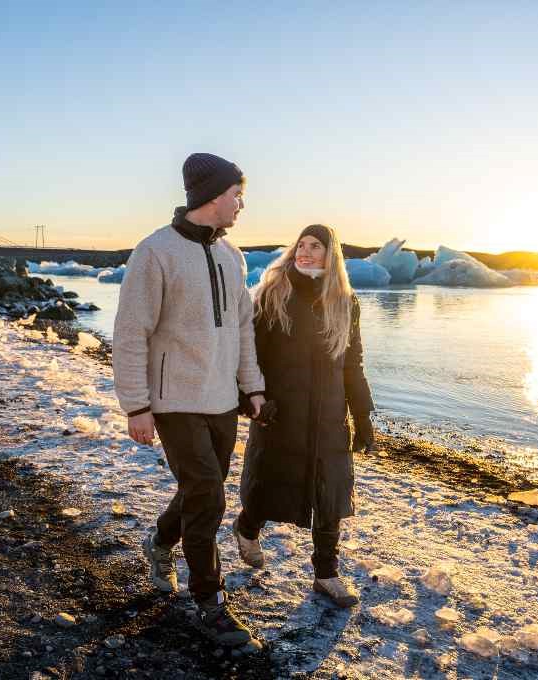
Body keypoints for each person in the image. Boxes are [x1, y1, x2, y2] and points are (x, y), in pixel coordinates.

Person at [113, 152, 266, 647]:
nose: (242, 203)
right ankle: (210, 600)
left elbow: (242, 327)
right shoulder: (155, 252)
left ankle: (160, 544)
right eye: (237, 194)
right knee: (208, 494)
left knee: (203, 489)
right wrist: (136, 405)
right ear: (212, 196)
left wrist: (252, 385)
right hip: (173, 399)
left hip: (222, 399)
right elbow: (131, 332)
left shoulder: (232, 255)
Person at [235, 224, 374, 608]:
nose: (306, 251)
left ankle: (326, 574)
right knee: (269, 485)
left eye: (316, 246)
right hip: (281, 413)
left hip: (330, 416)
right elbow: (250, 357)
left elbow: (353, 365)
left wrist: (362, 416)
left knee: (330, 494)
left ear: (332, 256)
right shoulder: (274, 294)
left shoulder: (346, 303)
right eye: (301, 244)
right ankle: (247, 527)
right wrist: (253, 400)